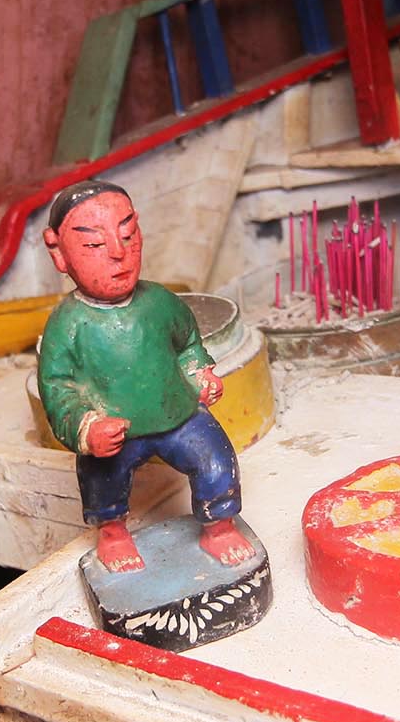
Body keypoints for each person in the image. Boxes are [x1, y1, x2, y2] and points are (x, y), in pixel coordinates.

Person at [35, 181, 254, 573]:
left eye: (128, 235)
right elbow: (58, 388)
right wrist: (88, 428)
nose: (118, 254)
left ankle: (219, 527)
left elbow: (187, 341)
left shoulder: (160, 302)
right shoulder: (67, 325)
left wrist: (198, 373)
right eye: (94, 244)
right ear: (58, 252)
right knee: (101, 476)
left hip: (178, 415)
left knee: (215, 458)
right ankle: (112, 533)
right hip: (115, 434)